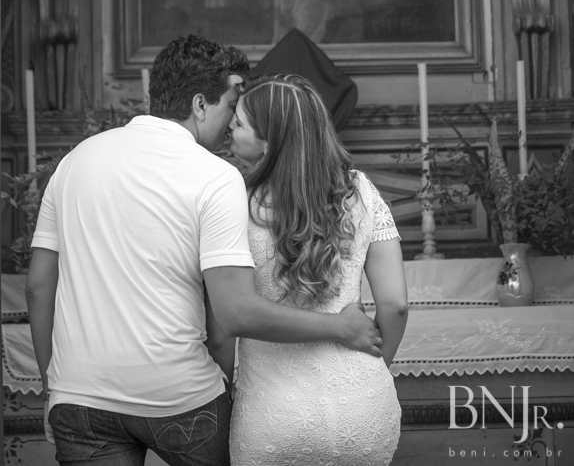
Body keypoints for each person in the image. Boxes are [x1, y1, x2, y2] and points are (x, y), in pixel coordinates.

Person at [25, 35, 382, 466]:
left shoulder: (75, 160)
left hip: (80, 397)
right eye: (230, 105)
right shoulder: (215, 176)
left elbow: (38, 286)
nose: (232, 121)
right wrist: (338, 328)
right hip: (180, 396)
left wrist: (54, 387)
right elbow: (231, 315)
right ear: (199, 104)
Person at [226, 73, 408, 466]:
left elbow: (227, 318)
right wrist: (374, 369)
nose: (229, 128)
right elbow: (395, 306)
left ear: (269, 141)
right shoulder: (361, 192)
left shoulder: (237, 203)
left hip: (273, 416)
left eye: (238, 123)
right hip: (363, 407)